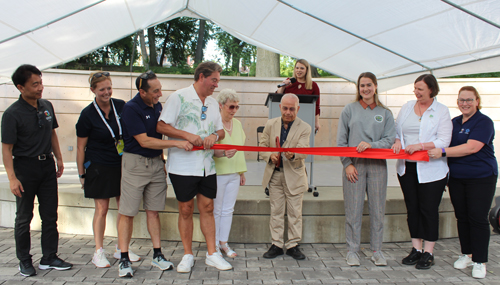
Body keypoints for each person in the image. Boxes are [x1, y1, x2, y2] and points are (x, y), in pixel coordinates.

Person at [157, 61, 232, 273]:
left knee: (208, 207)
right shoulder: (178, 97)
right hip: (182, 166)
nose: (216, 85)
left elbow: (221, 131)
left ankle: (212, 254)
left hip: (207, 165)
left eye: (218, 80)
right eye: (214, 80)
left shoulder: (213, 102)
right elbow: (161, 126)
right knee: (186, 209)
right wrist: (187, 135)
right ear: (201, 77)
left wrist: (213, 136)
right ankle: (187, 255)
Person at [117, 71, 192, 278]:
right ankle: (123, 258)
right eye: (155, 91)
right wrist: (176, 143)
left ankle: (158, 254)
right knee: (127, 212)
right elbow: (145, 141)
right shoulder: (131, 108)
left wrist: (162, 160)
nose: (160, 94)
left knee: (153, 211)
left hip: (156, 165)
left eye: (160, 89)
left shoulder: (158, 106)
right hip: (135, 165)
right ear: (141, 92)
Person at [1, 64, 73, 277]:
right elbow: (7, 149)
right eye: (35, 84)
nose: (40, 87)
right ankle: (24, 260)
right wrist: (12, 178)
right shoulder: (12, 114)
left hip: (47, 167)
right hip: (25, 168)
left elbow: (52, 134)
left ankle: (49, 257)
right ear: (20, 87)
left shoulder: (47, 105)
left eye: (40, 82)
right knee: (24, 217)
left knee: (50, 214)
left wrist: (59, 158)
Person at [428, 86, 497, 279]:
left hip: (481, 177)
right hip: (458, 178)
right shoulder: (454, 122)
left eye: (469, 100)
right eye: (461, 100)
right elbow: (440, 139)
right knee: (462, 216)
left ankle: (480, 261)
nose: (464, 103)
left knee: (477, 217)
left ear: (477, 101)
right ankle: (467, 254)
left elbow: (471, 147)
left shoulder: (484, 122)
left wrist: (442, 152)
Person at [76, 71, 140, 268]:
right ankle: (98, 251)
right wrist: (81, 174)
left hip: (122, 163)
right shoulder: (87, 114)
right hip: (98, 166)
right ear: (93, 90)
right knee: (102, 209)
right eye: (102, 89)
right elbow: (80, 147)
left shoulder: (121, 106)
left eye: (109, 88)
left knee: (124, 207)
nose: (106, 92)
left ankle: (121, 249)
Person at [391, 74, 452, 270]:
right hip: (407, 167)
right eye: (415, 88)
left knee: (428, 210)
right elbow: (396, 130)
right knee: (413, 208)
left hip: (432, 170)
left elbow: (444, 140)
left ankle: (429, 252)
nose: (416, 92)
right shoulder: (408, 106)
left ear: (431, 90)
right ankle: (416, 249)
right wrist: (398, 140)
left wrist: (420, 146)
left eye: (421, 89)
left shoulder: (441, 111)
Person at [336, 72, 396, 266]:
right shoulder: (349, 110)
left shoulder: (385, 113)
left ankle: (377, 250)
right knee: (353, 210)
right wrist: (347, 164)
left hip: (378, 166)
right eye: (362, 86)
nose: (365, 89)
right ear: (358, 88)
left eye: (369, 85)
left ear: (375, 86)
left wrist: (373, 145)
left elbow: (389, 140)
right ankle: (352, 250)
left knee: (378, 210)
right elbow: (341, 142)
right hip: (354, 166)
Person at [259, 93, 311, 260]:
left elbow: (304, 151)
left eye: (292, 109)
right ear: (280, 107)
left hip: (294, 175)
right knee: (276, 211)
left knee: (295, 212)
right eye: (285, 108)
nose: (288, 112)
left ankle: (293, 245)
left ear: (298, 109)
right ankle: (276, 244)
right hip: (275, 175)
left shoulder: (305, 127)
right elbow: (262, 146)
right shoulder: (270, 124)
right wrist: (270, 156)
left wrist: (293, 154)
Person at [212, 88, 247, 258]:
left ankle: (224, 243)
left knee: (228, 209)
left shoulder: (238, 124)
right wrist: (223, 153)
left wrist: (241, 172)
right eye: (231, 107)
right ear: (221, 105)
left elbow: (241, 149)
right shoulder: (213, 123)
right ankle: (214, 244)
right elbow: (209, 149)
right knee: (217, 210)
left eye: (236, 107)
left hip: (234, 172)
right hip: (218, 172)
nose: (234, 110)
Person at [277, 59, 321, 132]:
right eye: (297, 68)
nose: (298, 70)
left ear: (307, 70)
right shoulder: (289, 82)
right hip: (288, 120)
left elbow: (316, 105)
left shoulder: (313, 85)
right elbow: (278, 96)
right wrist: (284, 85)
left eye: (302, 68)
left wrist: (316, 122)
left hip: (306, 120)